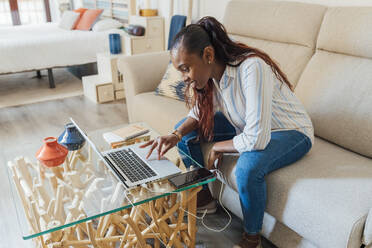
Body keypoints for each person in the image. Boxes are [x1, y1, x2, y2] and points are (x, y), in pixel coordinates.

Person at [140, 16, 314, 248]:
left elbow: (257, 138)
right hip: (246, 125)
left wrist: (218, 148)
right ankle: (204, 197)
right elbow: (196, 115)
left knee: (247, 169)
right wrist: (176, 134)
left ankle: (252, 238)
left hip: (290, 131)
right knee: (186, 136)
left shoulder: (252, 67)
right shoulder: (213, 75)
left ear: (208, 55)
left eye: (185, 68)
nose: (184, 78)